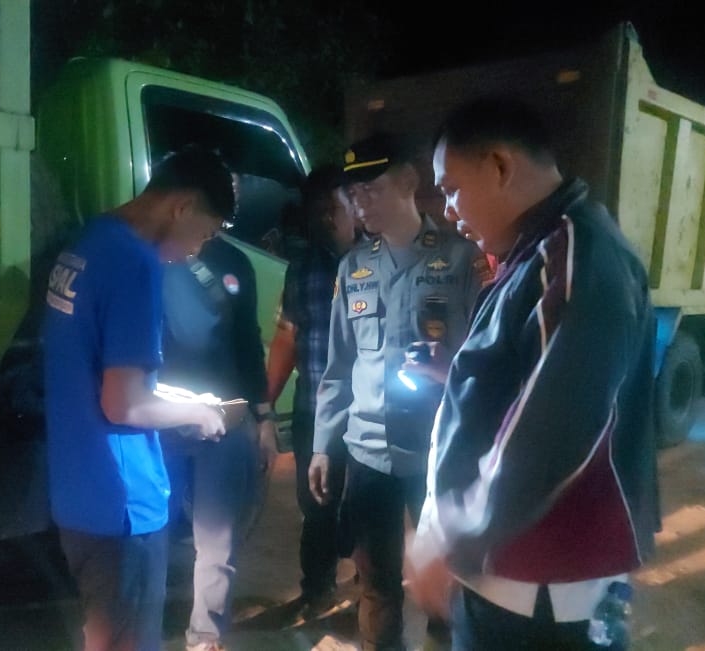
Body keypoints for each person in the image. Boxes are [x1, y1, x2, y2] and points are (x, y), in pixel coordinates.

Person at [406, 97, 660, 650]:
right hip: (515, 575)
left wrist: (456, 534)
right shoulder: (539, 251)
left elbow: (552, 430)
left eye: (451, 189)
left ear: (500, 166)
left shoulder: (575, 255)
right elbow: (525, 381)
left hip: (538, 586)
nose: (447, 210)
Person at [42, 145, 235, 651]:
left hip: (78, 492)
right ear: (182, 207)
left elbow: (98, 371)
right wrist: (198, 413)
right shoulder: (135, 263)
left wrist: (174, 394)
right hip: (123, 504)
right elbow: (124, 405)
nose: (196, 251)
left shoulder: (89, 241)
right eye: (205, 234)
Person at [310, 134, 485, 651]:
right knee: (377, 586)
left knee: (448, 584)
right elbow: (339, 367)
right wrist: (323, 445)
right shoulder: (353, 268)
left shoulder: (461, 261)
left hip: (440, 452)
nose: (359, 203)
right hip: (369, 456)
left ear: (409, 182)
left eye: (371, 189)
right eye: (353, 194)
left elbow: (486, 363)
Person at [159, 230, 280, 651]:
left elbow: (248, 341)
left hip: (224, 417)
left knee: (217, 539)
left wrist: (264, 417)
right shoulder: (150, 253)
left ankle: (206, 638)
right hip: (160, 418)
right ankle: (140, 626)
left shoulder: (234, 261)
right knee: (150, 530)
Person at [266, 165, 359, 617]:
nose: (325, 217)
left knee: (364, 505)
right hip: (314, 410)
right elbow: (288, 336)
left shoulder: (383, 261)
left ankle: (370, 586)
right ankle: (317, 588)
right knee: (315, 502)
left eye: (333, 206)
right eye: (317, 209)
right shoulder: (302, 270)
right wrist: (264, 404)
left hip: (369, 416)